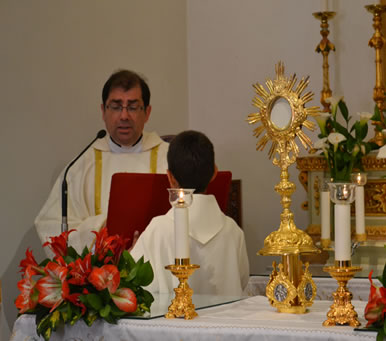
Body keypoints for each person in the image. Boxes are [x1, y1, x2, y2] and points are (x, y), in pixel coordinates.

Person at [35, 70, 169, 254]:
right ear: (103, 111)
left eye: (132, 107)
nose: (124, 116)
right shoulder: (81, 165)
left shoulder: (169, 159)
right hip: (98, 276)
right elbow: (50, 225)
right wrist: (103, 229)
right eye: (115, 106)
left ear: (147, 112)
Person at [131, 130, 249, 296]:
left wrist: (130, 254)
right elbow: (242, 281)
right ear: (215, 173)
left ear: (170, 177)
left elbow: (136, 285)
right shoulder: (233, 231)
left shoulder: (157, 230)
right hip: (225, 321)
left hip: (173, 320)